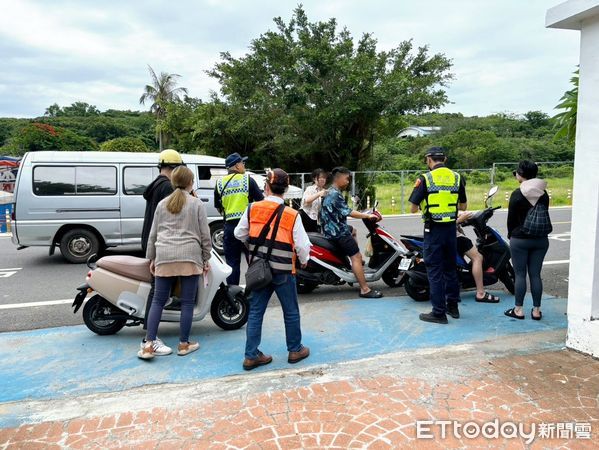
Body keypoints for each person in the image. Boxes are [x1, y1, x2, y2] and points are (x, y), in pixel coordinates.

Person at [234, 168, 311, 370]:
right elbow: (302, 246)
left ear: (266, 187)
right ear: (285, 189)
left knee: (256, 311)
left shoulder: (252, 208)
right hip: (285, 270)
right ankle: (295, 350)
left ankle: (251, 355)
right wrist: (303, 260)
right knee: (291, 311)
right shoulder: (292, 214)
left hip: (260, 270)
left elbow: (239, 233)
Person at [139, 166, 212, 360]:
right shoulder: (196, 204)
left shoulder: (162, 204)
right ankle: (184, 344)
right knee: (187, 302)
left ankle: (148, 345)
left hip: (164, 255)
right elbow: (205, 236)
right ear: (191, 183)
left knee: (158, 301)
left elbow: (153, 234)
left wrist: (152, 258)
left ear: (172, 182)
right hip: (189, 256)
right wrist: (206, 258)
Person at [409, 147, 467, 324]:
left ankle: (438, 312)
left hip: (433, 230)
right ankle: (453, 307)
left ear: (429, 160)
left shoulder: (425, 179)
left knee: (434, 271)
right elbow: (463, 206)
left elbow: (412, 208)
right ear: (445, 159)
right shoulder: (457, 177)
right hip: (451, 229)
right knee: (450, 268)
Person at [140, 149, 185, 355]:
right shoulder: (167, 187)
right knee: (158, 291)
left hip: (151, 239)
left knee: (158, 290)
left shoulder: (156, 185)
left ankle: (150, 333)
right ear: (174, 169)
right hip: (160, 243)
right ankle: (149, 337)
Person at [320, 167, 383, 298]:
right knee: (356, 257)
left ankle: (358, 265)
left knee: (353, 230)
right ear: (338, 178)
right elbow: (349, 212)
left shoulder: (331, 191)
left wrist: (365, 212)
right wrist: (367, 216)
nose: (348, 181)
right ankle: (364, 289)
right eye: (347, 178)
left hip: (331, 229)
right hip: (338, 233)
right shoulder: (334, 194)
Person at [504, 160, 551, 321]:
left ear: (521, 175)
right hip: (541, 239)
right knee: (536, 275)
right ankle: (536, 310)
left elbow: (511, 220)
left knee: (520, 274)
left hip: (520, 239)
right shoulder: (544, 194)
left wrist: (511, 234)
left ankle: (518, 310)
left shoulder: (517, 194)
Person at [214, 152, 264, 285]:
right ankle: (254, 290)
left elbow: (218, 207)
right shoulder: (247, 180)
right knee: (253, 260)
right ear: (236, 166)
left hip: (230, 228)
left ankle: (233, 294)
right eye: (242, 163)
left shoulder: (219, 183)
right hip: (249, 227)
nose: (244, 165)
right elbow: (261, 202)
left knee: (232, 262)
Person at [456, 211, 500, 303]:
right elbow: (444, 223)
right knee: (477, 258)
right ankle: (480, 293)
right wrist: (460, 220)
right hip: (454, 236)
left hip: (442, 237)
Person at [299, 168, 328, 233]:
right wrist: (318, 194)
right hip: (306, 217)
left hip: (316, 220)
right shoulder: (310, 189)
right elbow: (307, 200)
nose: (323, 179)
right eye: (320, 177)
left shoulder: (324, 191)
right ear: (314, 179)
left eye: (324, 177)